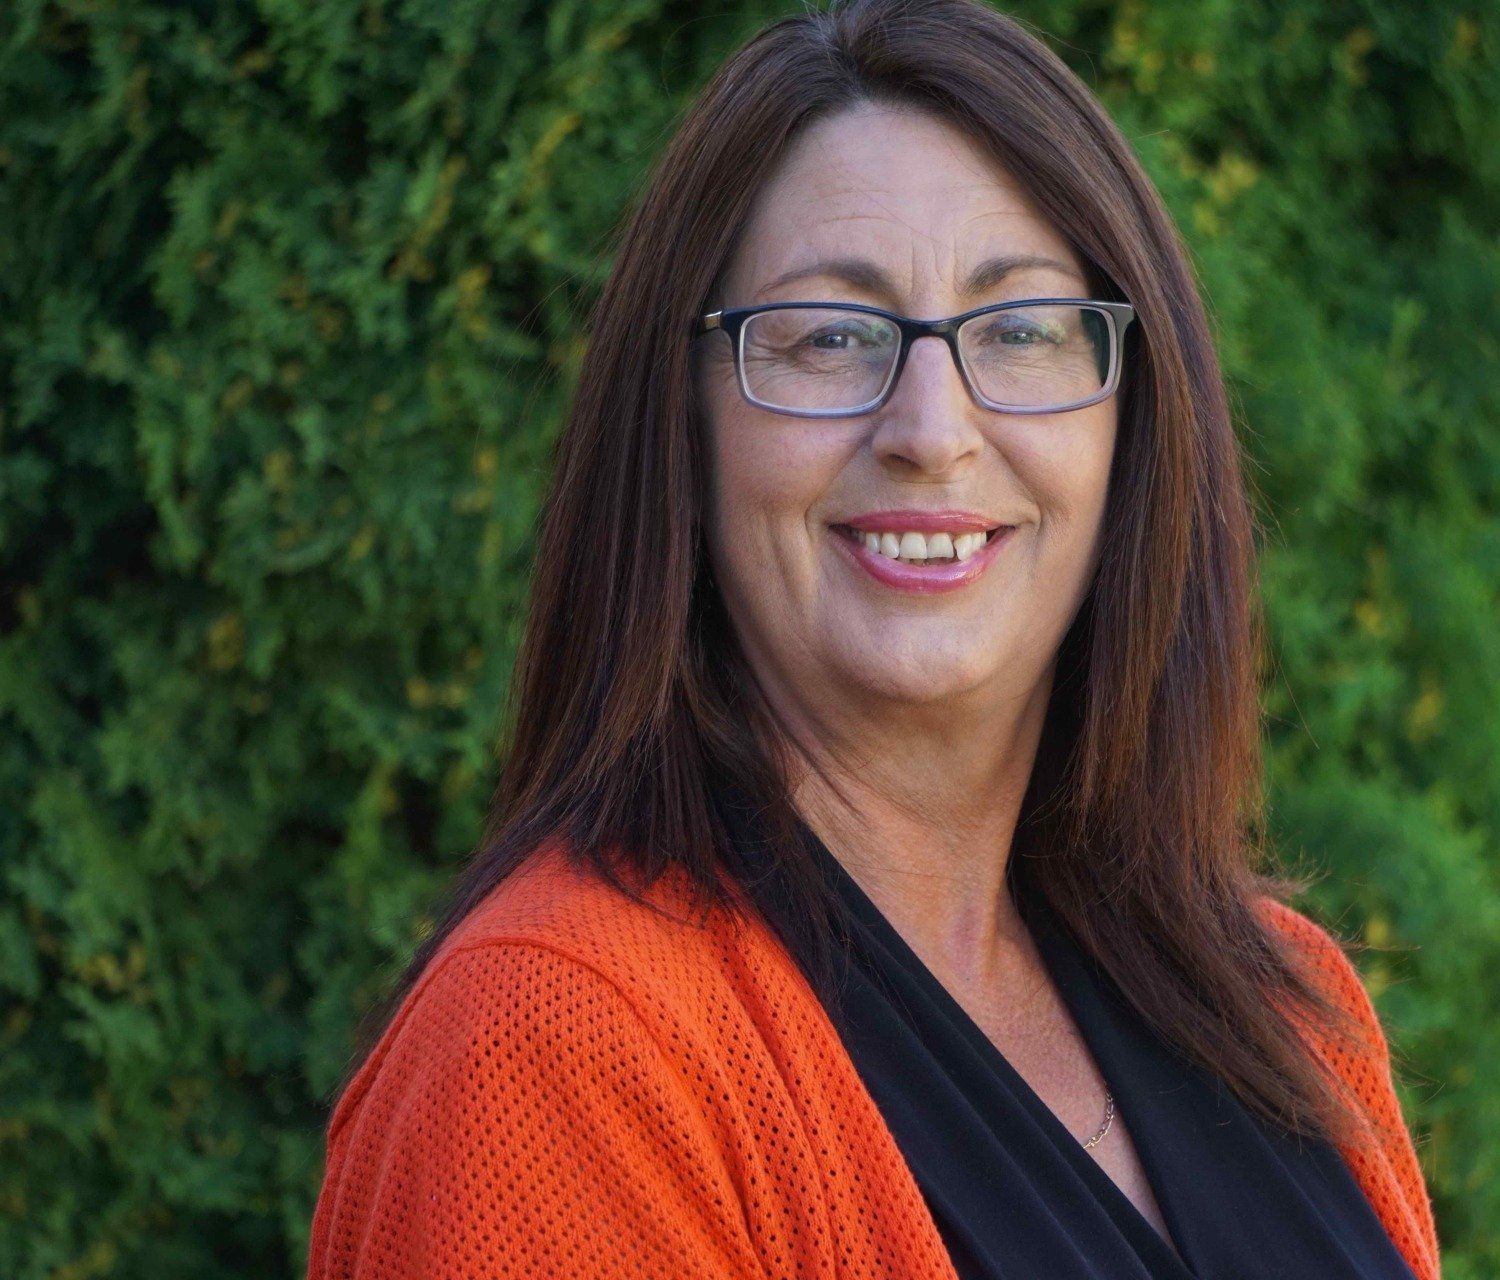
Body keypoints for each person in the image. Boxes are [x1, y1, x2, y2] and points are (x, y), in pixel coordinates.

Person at [306, 1, 1442, 1277]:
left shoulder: (1284, 1007)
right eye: (832, 336)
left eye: (1019, 329)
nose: (931, 427)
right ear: (683, 429)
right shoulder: (560, 1042)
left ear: (1136, 423)